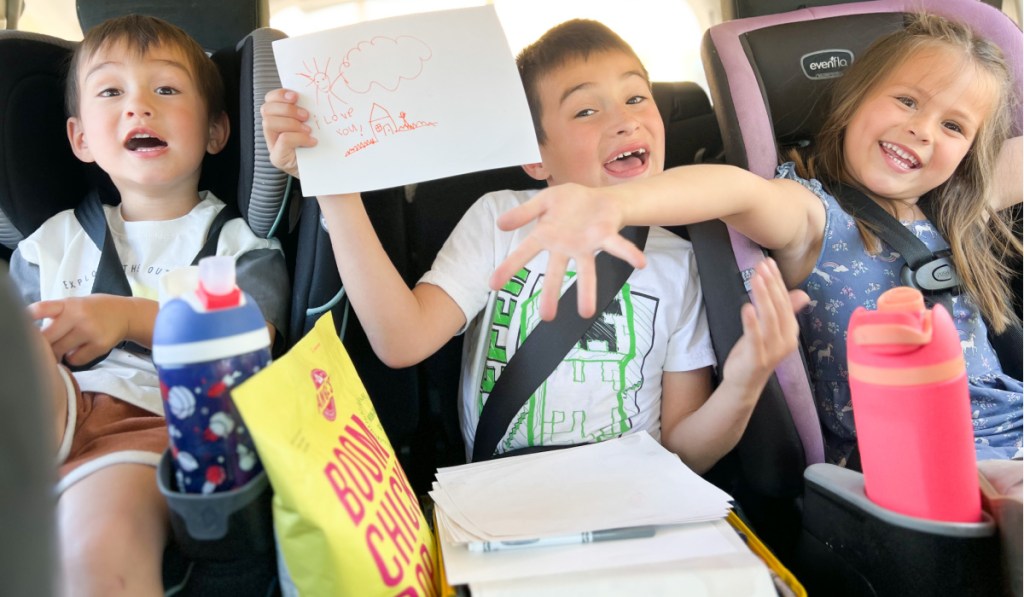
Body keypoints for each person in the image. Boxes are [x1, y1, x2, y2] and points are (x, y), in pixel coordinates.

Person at [262, 19, 807, 472]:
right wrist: (334, 193)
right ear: (536, 157)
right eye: (586, 110)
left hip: (633, 501)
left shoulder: (681, 260)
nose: (624, 120)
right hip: (502, 500)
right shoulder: (502, 218)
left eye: (636, 97)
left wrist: (742, 383)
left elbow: (682, 452)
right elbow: (401, 340)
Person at [489, 13, 1023, 473]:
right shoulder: (814, 214)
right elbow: (734, 190)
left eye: (953, 126)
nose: (923, 131)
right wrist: (617, 204)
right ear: (855, 99)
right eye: (906, 101)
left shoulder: (954, 207)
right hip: (914, 464)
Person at [8, 15, 289, 596]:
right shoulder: (47, 244)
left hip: (156, 421)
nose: (138, 107)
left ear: (215, 131)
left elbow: (256, 343)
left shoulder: (239, 244)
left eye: (165, 89)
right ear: (81, 138)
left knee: (98, 552)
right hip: (44, 414)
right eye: (112, 92)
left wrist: (129, 318)